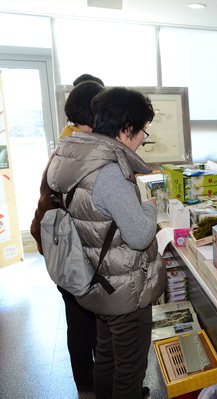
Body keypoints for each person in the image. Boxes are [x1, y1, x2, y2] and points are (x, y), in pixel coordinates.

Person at [45, 87, 166, 399]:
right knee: (129, 371)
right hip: (125, 290)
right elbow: (139, 235)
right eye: (142, 131)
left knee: (107, 359)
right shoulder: (109, 171)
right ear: (126, 129)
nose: (142, 139)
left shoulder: (76, 159)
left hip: (100, 282)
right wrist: (150, 206)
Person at [30, 79, 105, 394]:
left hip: (60, 247)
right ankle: (96, 387)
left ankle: (87, 386)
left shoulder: (66, 144)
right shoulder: (85, 151)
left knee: (78, 321)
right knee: (91, 323)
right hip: (77, 252)